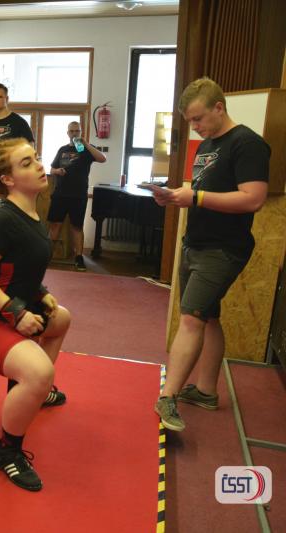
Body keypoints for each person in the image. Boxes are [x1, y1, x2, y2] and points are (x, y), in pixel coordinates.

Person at [152, 77, 269, 432]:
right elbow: (204, 190)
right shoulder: (207, 145)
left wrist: (196, 197)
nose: (195, 126)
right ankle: (205, 391)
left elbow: (253, 198)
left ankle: (167, 397)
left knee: (191, 318)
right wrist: (176, 196)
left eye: (198, 118)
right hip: (196, 242)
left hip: (223, 248)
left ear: (219, 107)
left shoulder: (247, 143)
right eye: (190, 121)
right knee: (209, 317)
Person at [0, 137, 71, 491]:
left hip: (10, 308)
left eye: (35, 158)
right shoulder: (2, 220)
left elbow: (17, 269)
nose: (39, 165)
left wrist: (41, 293)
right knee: (40, 371)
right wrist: (17, 311)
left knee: (62, 319)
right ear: (7, 179)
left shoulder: (33, 214)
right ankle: (8, 451)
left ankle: (37, 390)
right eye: (26, 163)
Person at [47, 121, 106, 271]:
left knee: (77, 227)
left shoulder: (86, 150)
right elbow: (52, 169)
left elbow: (102, 158)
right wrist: (57, 171)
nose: (74, 133)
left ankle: (79, 258)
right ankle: (46, 256)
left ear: (80, 132)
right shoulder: (62, 149)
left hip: (78, 195)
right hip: (60, 194)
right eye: (72, 131)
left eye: (77, 131)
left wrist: (85, 143)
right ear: (67, 133)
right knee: (55, 225)